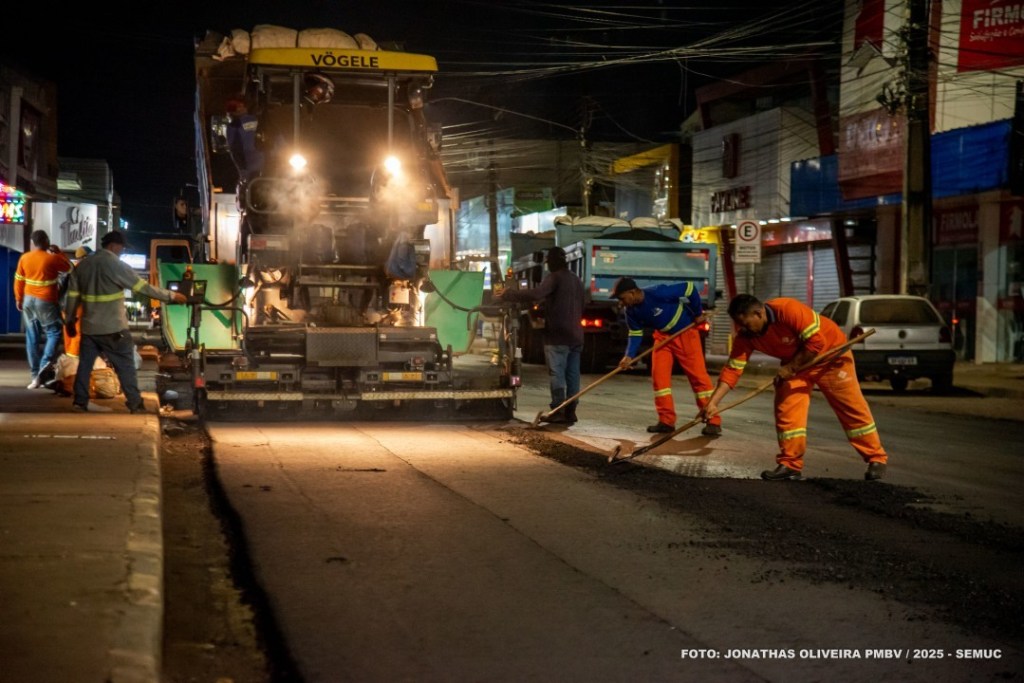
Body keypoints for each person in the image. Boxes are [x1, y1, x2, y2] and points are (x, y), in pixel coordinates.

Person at [699, 294, 888, 481]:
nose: (743, 329)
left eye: (746, 323)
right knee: (786, 410)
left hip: (831, 358)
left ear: (758, 313)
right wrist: (713, 404)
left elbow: (816, 342)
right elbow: (732, 370)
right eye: (739, 325)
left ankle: (876, 458)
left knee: (851, 408)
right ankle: (790, 464)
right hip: (797, 365)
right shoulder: (746, 336)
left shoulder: (787, 309)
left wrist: (789, 367)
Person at [63, 230, 187, 413]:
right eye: (121, 247)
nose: (121, 251)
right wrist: (172, 295)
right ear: (114, 246)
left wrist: (70, 321)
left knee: (85, 366)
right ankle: (135, 404)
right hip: (114, 328)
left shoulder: (83, 266)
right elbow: (143, 288)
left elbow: (72, 297)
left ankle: (80, 402)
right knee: (126, 367)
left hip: (89, 328)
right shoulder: (117, 265)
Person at [611, 277, 722, 437]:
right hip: (663, 338)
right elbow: (635, 333)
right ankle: (666, 421)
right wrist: (628, 356)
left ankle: (713, 420)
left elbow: (689, 288)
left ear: (632, 292)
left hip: (685, 334)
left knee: (698, 378)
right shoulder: (631, 311)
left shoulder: (658, 292)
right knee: (659, 379)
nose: (621, 303)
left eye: (622, 298)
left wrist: (697, 313)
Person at [495, 247, 585, 424]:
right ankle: (571, 412)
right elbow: (580, 304)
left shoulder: (554, 277)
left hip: (558, 336)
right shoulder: (576, 280)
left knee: (557, 373)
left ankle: (558, 410)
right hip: (576, 336)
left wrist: (509, 294)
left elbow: (537, 294)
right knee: (573, 375)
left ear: (551, 262)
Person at [14, 230, 71, 388]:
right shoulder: (51, 259)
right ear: (46, 242)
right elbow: (68, 267)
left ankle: (34, 376)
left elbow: (18, 280)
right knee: (54, 332)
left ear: (33, 243)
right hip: (45, 300)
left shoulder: (24, 258)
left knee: (32, 337)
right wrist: (58, 252)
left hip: (28, 301)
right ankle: (43, 368)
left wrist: (18, 298)